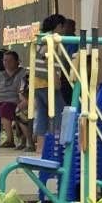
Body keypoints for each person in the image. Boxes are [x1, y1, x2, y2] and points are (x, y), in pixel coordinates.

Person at [31, 14, 69, 153]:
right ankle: (58, 146)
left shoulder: (40, 38)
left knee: (42, 114)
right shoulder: (52, 39)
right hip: (48, 82)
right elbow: (48, 58)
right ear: (59, 26)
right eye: (64, 27)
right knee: (60, 112)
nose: (65, 30)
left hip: (37, 83)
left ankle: (40, 147)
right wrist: (56, 79)